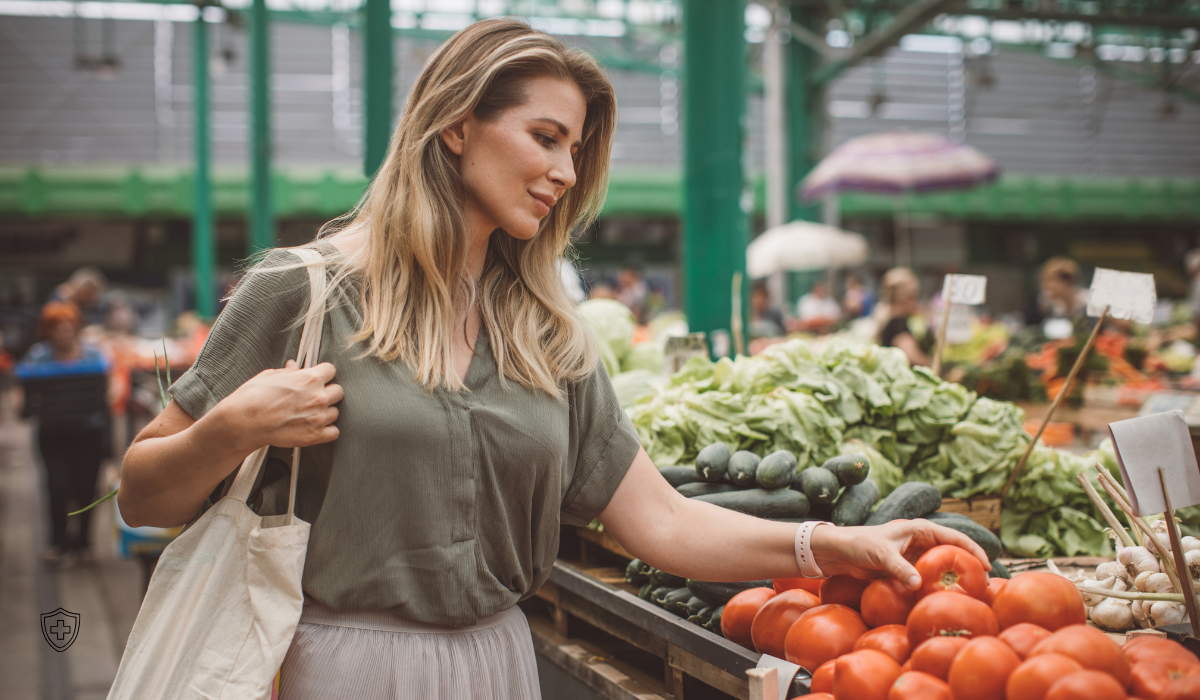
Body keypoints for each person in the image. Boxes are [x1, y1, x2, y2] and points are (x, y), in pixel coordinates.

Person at [117, 19, 986, 699]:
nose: (566, 170)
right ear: (456, 125)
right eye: (544, 137)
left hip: (499, 660)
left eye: (575, 148)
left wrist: (833, 544)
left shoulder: (546, 334)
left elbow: (663, 524)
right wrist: (229, 429)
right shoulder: (302, 294)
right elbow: (142, 494)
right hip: (336, 667)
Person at [19, 302, 110, 566]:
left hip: (89, 434)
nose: (64, 333)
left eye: (69, 328)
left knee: (86, 488)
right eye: (57, 329)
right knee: (56, 487)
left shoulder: (93, 355)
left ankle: (83, 543)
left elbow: (110, 384)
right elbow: (22, 389)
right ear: (48, 331)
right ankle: (57, 543)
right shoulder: (37, 357)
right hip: (53, 434)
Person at [878, 268, 931, 367]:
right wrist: (933, 366)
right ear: (906, 298)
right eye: (915, 297)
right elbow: (912, 356)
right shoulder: (898, 324)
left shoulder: (888, 319)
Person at [1024, 257, 1088, 327]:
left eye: (1050, 280)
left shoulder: (1087, 303)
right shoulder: (1051, 306)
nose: (1044, 286)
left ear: (1066, 282)